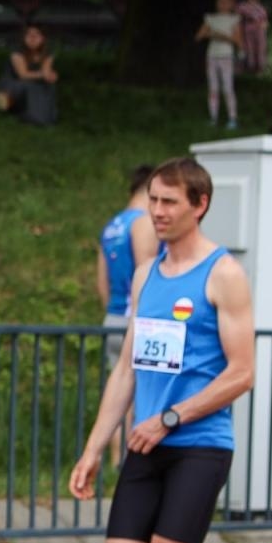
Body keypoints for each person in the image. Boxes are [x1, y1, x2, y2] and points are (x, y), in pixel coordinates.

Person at [69, 158, 255, 543]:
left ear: (199, 204)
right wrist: (96, 445)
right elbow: (126, 368)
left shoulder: (223, 276)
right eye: (153, 200)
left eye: (170, 202)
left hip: (199, 445)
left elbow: (242, 373)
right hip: (145, 444)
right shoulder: (147, 274)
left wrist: (174, 416)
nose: (158, 211)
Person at [96, 164, 160, 465]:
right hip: (138, 318)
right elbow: (147, 273)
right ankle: (130, 462)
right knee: (138, 395)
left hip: (113, 316)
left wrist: (115, 312)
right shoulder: (143, 223)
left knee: (118, 393)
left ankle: (113, 462)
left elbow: (102, 283)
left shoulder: (112, 225)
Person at [196, 0, 242, 128]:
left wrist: (222, 36)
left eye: (226, 1)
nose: (222, 4)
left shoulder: (234, 20)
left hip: (226, 56)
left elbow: (238, 40)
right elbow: (199, 36)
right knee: (213, 88)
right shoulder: (211, 19)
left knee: (227, 88)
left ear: (232, 4)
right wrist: (209, 34)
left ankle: (232, 118)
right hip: (212, 56)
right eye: (220, 1)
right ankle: (213, 117)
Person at [0, 23, 58, 126]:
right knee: (28, 86)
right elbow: (23, 75)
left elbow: (46, 73)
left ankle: (45, 117)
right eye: (29, 35)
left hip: (33, 86)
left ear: (43, 38)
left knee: (48, 86)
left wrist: (51, 76)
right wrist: (45, 74)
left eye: (36, 35)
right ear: (23, 38)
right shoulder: (17, 53)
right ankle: (15, 112)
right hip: (10, 88)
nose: (32, 38)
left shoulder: (47, 54)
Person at [237, 0, 269, 74]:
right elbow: (239, 22)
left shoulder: (261, 8)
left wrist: (263, 26)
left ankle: (259, 72)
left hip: (260, 34)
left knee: (259, 53)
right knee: (248, 54)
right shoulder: (243, 6)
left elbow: (266, 22)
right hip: (248, 34)